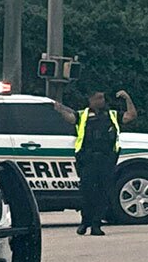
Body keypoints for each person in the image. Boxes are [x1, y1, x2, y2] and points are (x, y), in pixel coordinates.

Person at [54, 90, 137, 235]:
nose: (102, 101)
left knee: (103, 194)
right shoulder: (82, 115)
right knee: (87, 194)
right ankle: (84, 222)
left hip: (106, 160)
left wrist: (128, 98)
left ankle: (96, 225)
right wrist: (60, 109)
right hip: (88, 160)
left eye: (103, 98)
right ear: (90, 100)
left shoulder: (112, 115)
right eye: (98, 98)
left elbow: (131, 116)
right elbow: (70, 118)